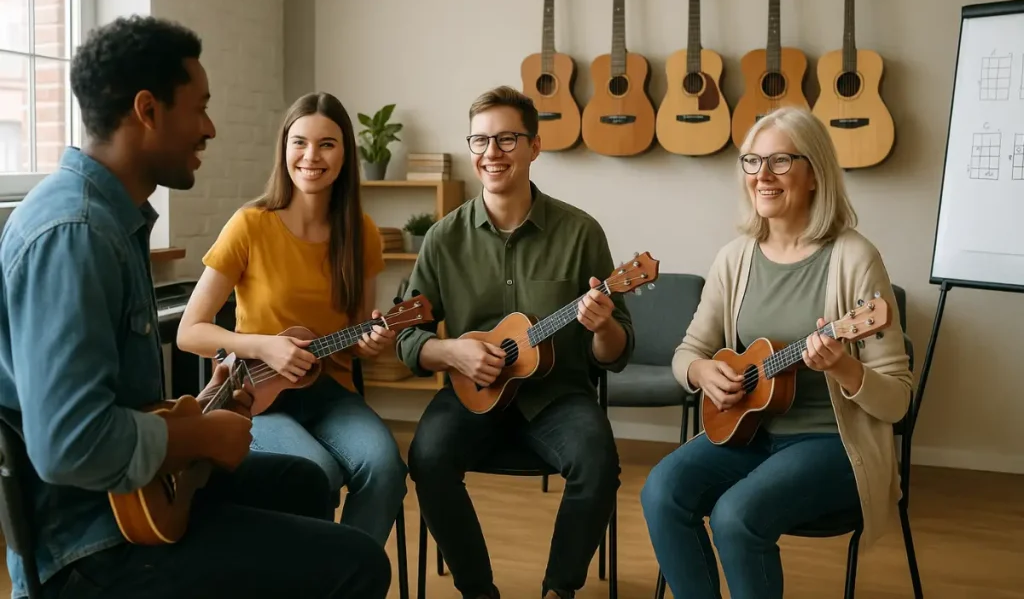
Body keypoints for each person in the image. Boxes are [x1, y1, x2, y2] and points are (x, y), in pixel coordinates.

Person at [0, 15, 391, 599]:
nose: (209, 128)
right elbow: (69, 444)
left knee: (303, 483)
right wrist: (204, 438)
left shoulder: (111, 219)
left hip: (138, 497)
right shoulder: (75, 233)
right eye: (199, 107)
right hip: (92, 545)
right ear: (148, 111)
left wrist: (204, 409)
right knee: (360, 563)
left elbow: (120, 405)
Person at [640, 106, 912, 599]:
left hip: (834, 445)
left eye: (780, 161)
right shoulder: (735, 257)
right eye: (751, 161)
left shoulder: (854, 258)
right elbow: (687, 353)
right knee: (661, 491)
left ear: (815, 174)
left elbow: (897, 401)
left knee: (736, 516)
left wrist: (844, 366)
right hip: (750, 435)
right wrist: (703, 372)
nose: (762, 175)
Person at [395, 86, 634, 599]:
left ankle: (559, 589)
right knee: (427, 458)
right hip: (470, 397)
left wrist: (602, 326)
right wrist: (452, 351)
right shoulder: (443, 238)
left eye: (506, 139)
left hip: (558, 398)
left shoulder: (580, 232)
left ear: (534, 146)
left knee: (598, 463)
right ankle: (478, 591)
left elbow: (616, 353)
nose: (491, 153)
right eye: (479, 141)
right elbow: (407, 337)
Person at [175, 91, 408, 546]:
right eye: (299, 142)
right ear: (284, 149)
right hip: (256, 395)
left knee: (386, 469)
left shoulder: (361, 233)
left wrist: (374, 342)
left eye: (327, 144)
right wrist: (263, 345)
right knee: (311, 474)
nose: (311, 156)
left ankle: (344, 581)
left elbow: (361, 330)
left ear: (345, 154)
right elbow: (190, 332)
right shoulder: (250, 225)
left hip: (330, 394)